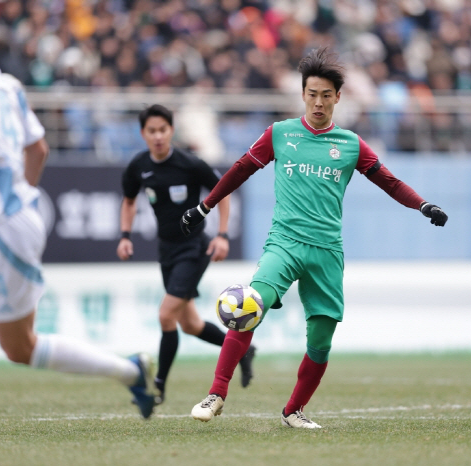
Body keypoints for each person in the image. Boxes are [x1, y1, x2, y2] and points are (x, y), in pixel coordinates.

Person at [0, 1, 155, 463]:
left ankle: (129, 370)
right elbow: (38, 148)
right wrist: (20, 198)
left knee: (18, 347)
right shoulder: (3, 81)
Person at [179, 47, 448, 429]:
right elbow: (240, 169)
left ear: (338, 96)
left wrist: (423, 206)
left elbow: (389, 182)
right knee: (246, 309)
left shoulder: (351, 144)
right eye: (312, 94)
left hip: (327, 251)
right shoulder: (280, 133)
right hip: (284, 243)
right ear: (302, 94)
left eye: (326, 95)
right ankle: (216, 394)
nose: (318, 102)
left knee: (320, 342)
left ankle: (294, 411)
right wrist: (205, 207)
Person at [118, 104, 255, 405]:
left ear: (171, 130)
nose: (157, 136)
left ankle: (158, 387)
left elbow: (223, 191)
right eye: (151, 131)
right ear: (143, 134)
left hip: (194, 248)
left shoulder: (189, 163)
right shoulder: (138, 166)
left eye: (162, 130)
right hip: (166, 251)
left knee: (165, 314)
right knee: (190, 325)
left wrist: (221, 235)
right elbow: (128, 201)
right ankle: (243, 349)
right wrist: (125, 236)